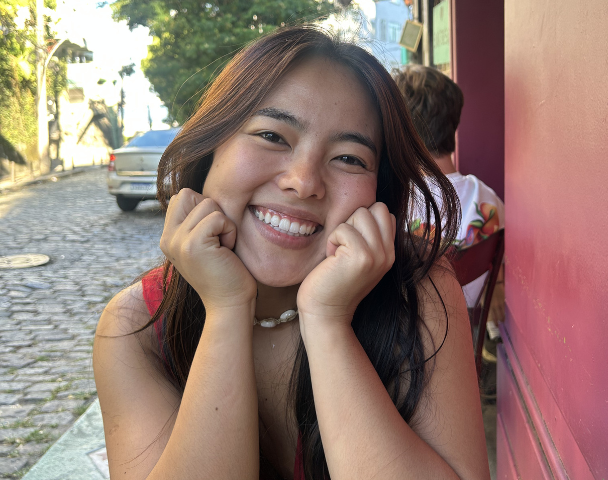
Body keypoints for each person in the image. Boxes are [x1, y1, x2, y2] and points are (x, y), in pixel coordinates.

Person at [93, 26, 490, 480]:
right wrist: (226, 308)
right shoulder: (136, 327)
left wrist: (327, 320)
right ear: (211, 148)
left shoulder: (420, 287)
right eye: (272, 135)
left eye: (349, 158)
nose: (303, 182)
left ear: (378, 192)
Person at [393, 65, 505, 315]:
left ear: (402, 129)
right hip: (467, 325)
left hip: (408, 332)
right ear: (453, 122)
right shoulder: (487, 199)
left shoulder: (396, 203)